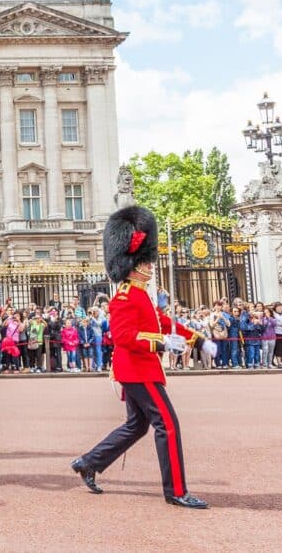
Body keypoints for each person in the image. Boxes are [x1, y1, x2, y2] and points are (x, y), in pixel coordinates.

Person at [72, 205, 211, 509]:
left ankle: (89, 462)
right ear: (132, 265)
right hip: (136, 370)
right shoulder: (123, 297)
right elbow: (123, 337)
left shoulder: (140, 294)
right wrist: (163, 345)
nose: (150, 266)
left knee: (137, 425)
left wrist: (197, 339)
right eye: (145, 262)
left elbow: (162, 322)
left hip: (140, 369)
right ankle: (175, 490)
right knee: (168, 424)